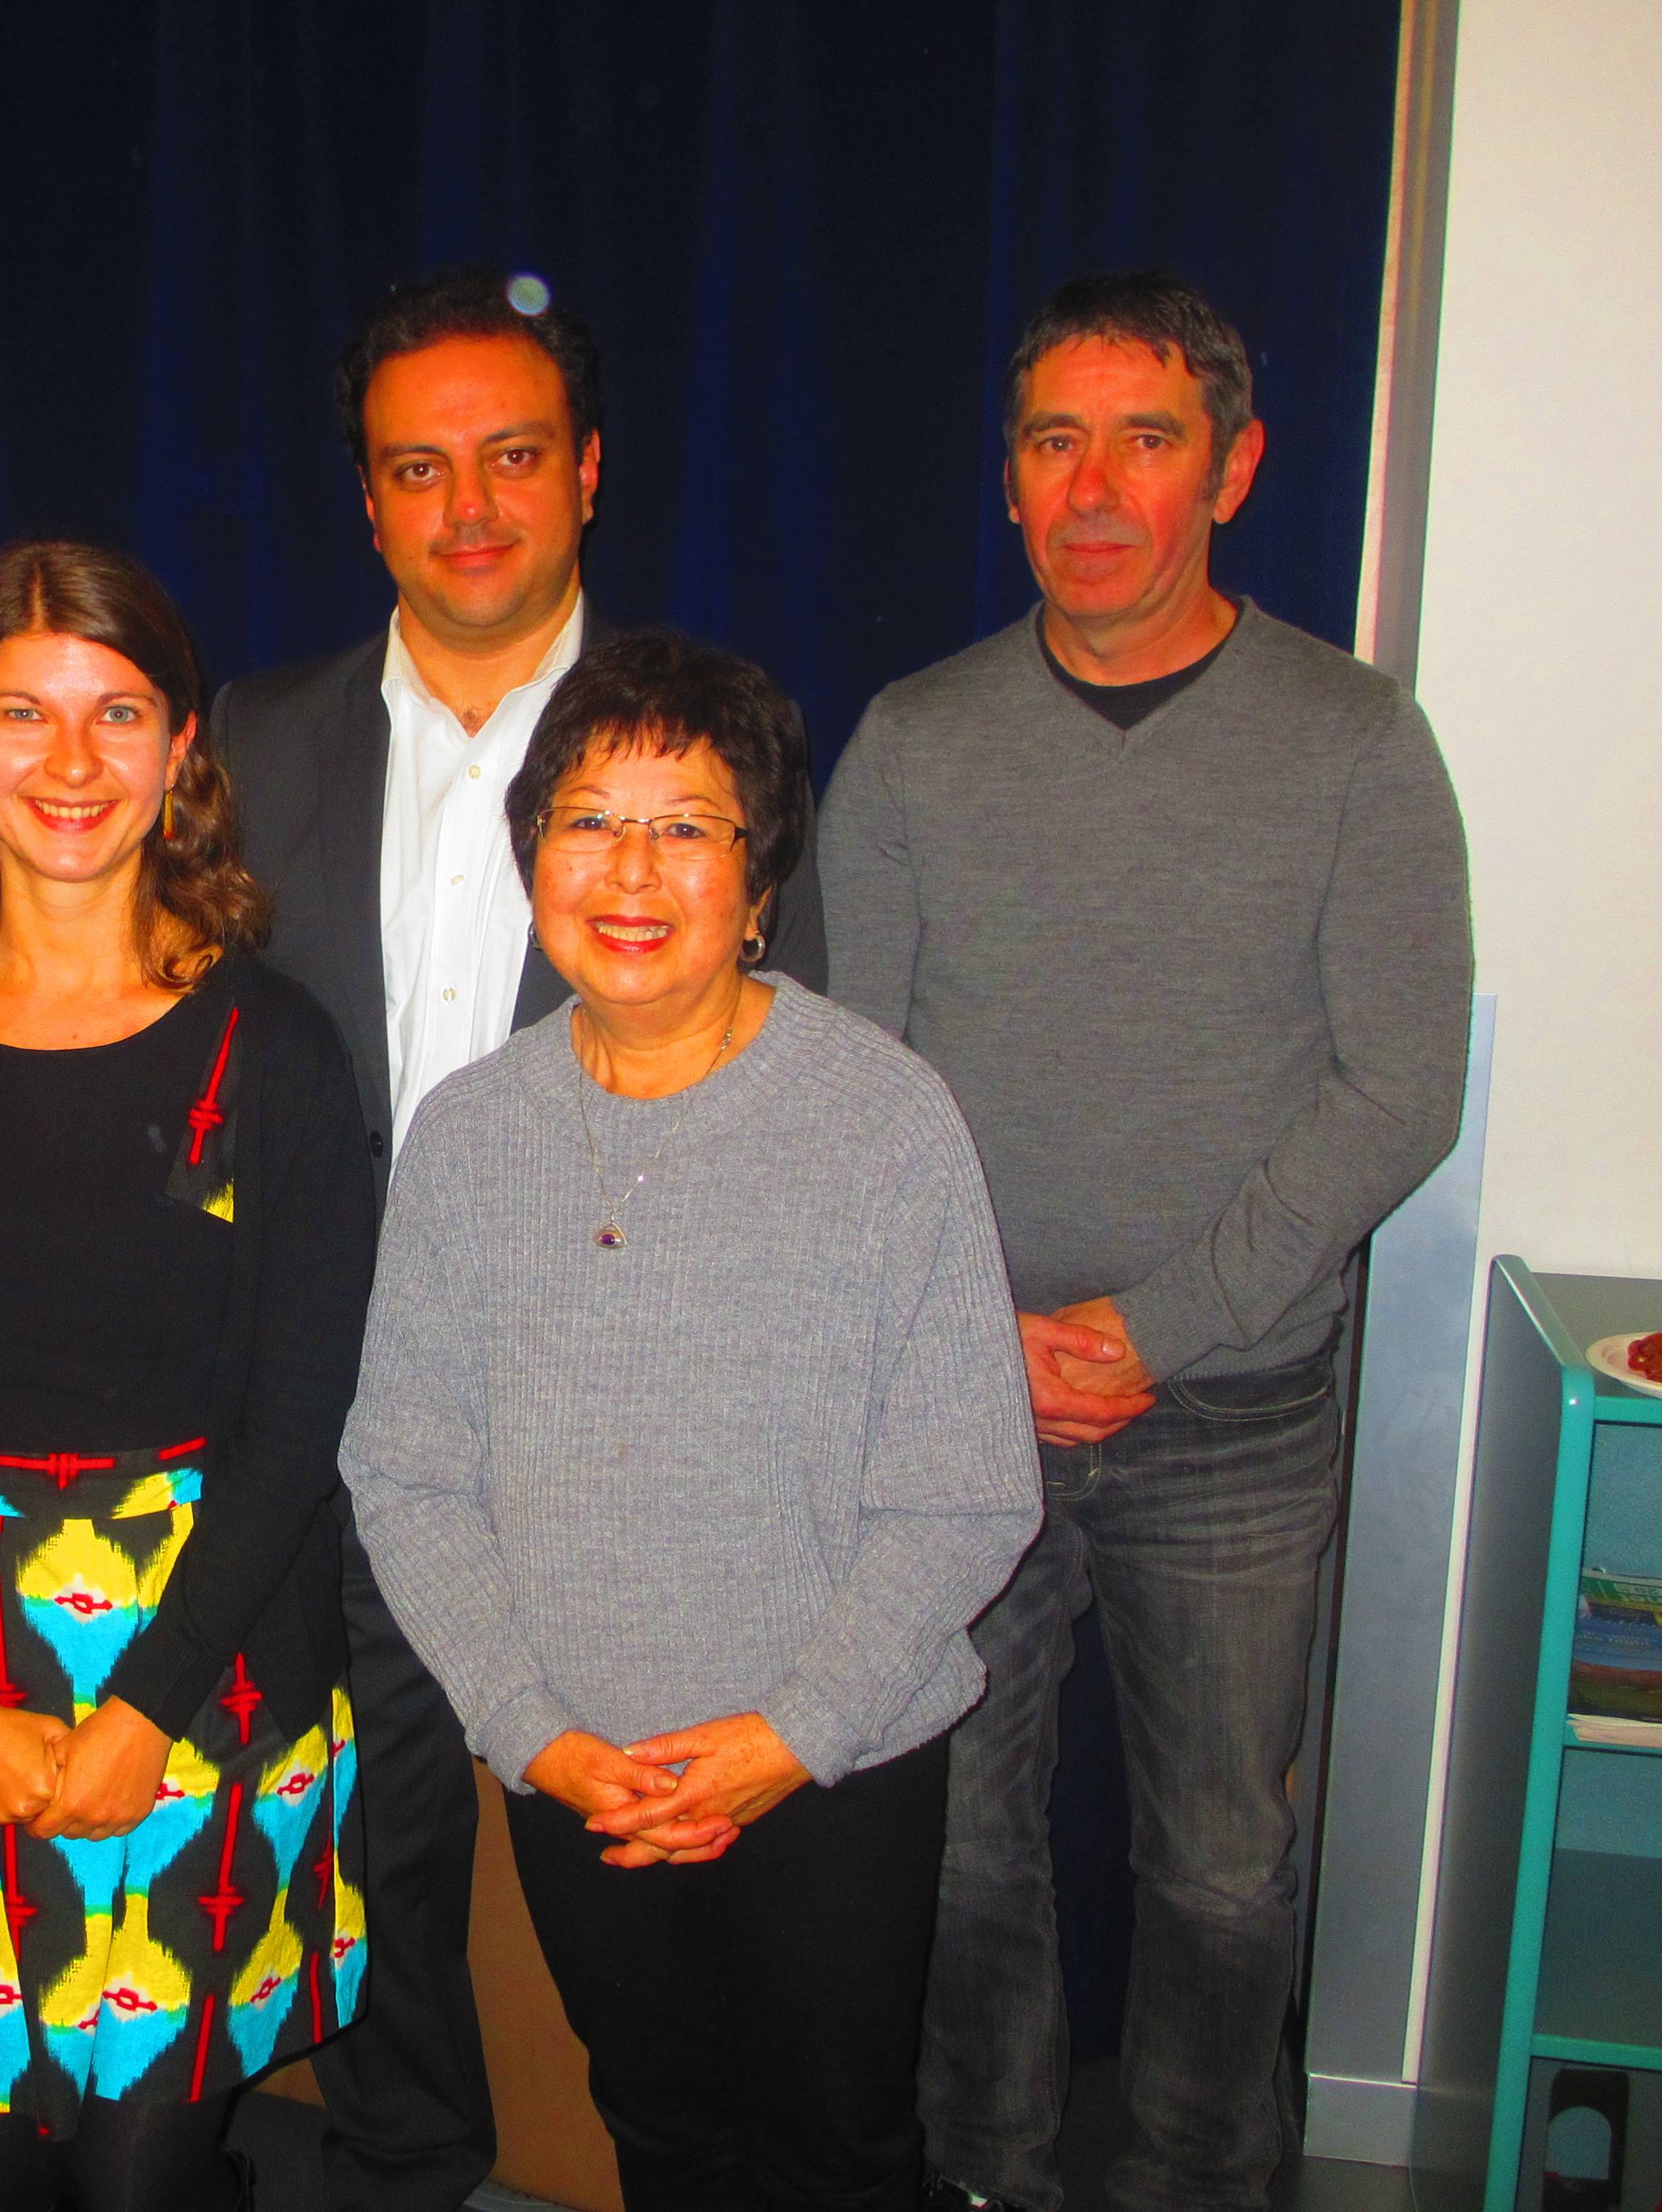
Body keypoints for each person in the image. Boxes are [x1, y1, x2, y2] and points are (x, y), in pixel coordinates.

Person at [818, 270, 1473, 2212]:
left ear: (1238, 467)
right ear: (1008, 482)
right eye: (1052, 440)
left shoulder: (1355, 745)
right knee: (961, 1852)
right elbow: (848, 1078)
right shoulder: (915, 744)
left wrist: (1156, 1324)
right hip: (962, 1413)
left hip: (1242, 1417)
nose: (1096, 486)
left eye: (1148, 438)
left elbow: (1397, 1090)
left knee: (1214, 1868)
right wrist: (985, 1340)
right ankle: (989, 2179)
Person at [209, 262, 827, 2212]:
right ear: (370, 500)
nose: (467, 505)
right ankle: (409, 2173)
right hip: (338, 1423)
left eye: (510, 457)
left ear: (586, 476)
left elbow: (773, 1096)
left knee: (665, 1895)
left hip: (624, 1447)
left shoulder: (691, 744)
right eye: (418, 467)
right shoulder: (253, 732)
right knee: (382, 1847)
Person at [338, 626, 1038, 2212]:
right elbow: (403, 1472)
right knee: (659, 2137)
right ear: (532, 862)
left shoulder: (881, 1118)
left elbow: (961, 1495)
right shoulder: (466, 1137)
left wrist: (780, 1743)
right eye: (585, 821)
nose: (629, 870)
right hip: (579, 1770)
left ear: (760, 875)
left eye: (685, 826)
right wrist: (535, 1738)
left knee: (836, 2153)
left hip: (833, 1769)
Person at [0, 541, 375, 2212]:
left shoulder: (279, 1053)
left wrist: (142, 1713)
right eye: (21, 715)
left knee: (140, 2187)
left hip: (207, 1660)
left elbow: (291, 1428)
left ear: (183, 746)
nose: (69, 763)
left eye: (116, 714)